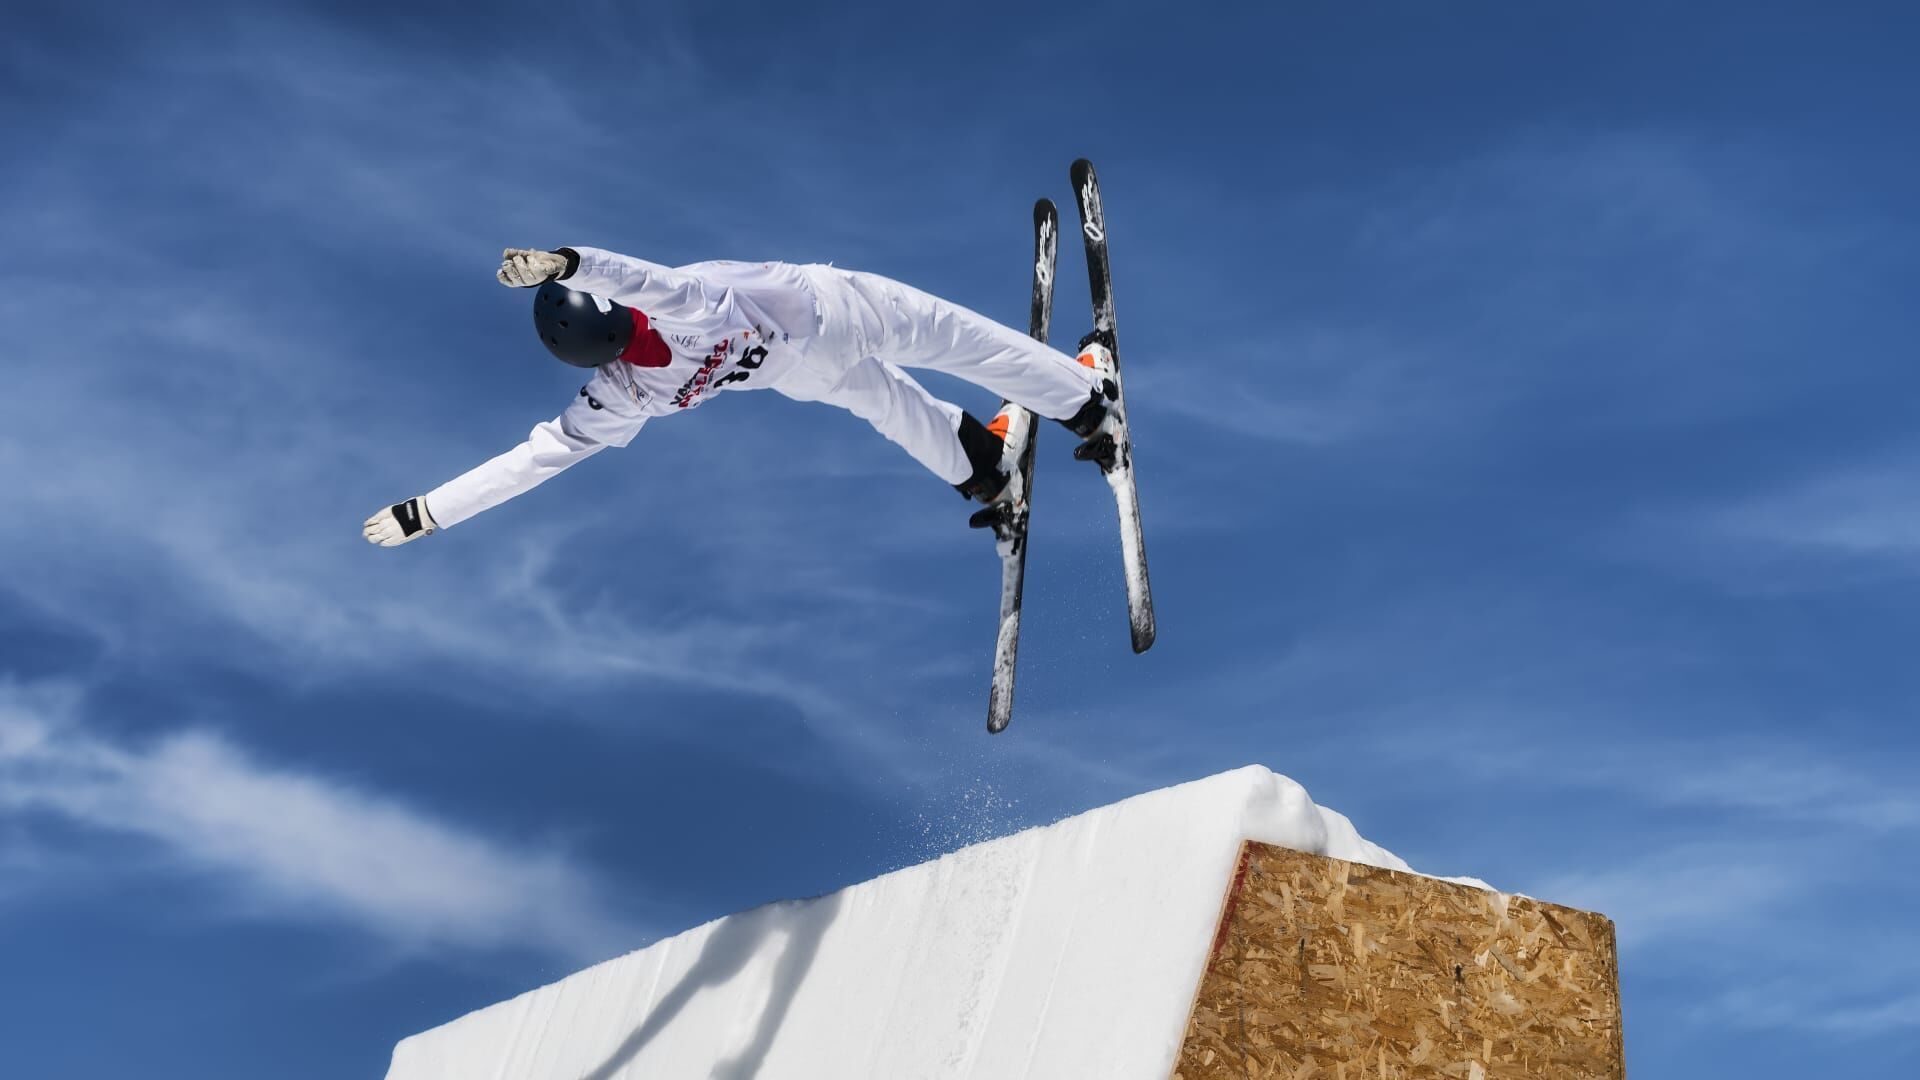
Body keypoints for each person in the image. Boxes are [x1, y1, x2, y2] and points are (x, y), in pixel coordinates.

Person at [363, 247, 1120, 547]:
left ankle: (984, 468)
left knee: (888, 407)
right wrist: (570, 260)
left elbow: (536, 460)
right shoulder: (681, 301)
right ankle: (1086, 397)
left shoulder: (620, 395)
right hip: (836, 311)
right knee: (956, 341)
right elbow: (635, 279)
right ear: (619, 313)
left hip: (799, 374)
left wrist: (427, 512)